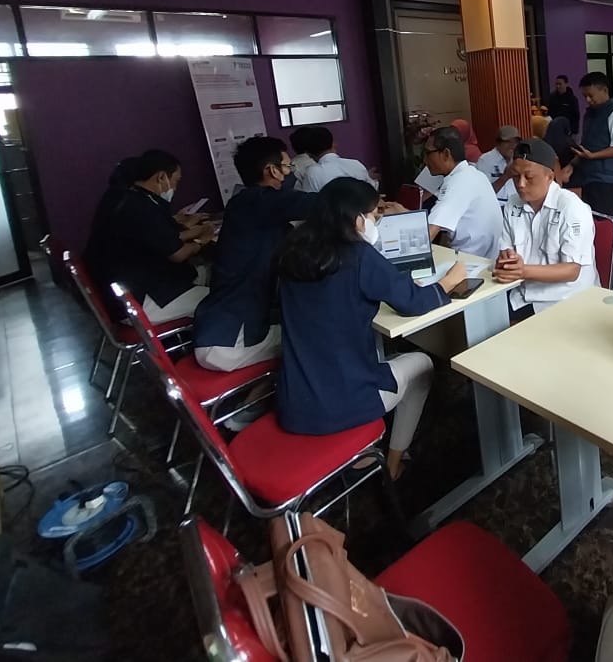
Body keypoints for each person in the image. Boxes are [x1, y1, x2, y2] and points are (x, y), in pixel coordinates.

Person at [276, 178, 467, 480]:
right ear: (357, 220)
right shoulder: (359, 256)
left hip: (294, 399)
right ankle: (393, 462)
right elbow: (413, 302)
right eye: (375, 214)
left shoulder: (292, 249)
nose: (376, 221)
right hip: (344, 401)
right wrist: (448, 282)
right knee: (423, 364)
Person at [191, 136, 315, 371]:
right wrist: (358, 201)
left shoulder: (245, 203)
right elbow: (314, 203)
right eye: (287, 166)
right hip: (230, 341)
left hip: (215, 328)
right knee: (316, 335)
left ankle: (265, 388)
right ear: (272, 170)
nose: (290, 172)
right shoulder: (259, 201)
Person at [83, 148, 213, 325]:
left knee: (200, 271)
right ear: (161, 177)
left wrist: (196, 232)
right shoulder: (141, 208)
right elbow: (178, 254)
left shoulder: (123, 198)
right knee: (223, 298)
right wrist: (202, 241)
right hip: (139, 300)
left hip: (115, 295)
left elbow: (162, 238)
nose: (175, 188)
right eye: (176, 181)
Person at [494, 138, 598, 316]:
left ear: (550, 176)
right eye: (516, 176)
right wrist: (508, 260)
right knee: (482, 316)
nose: (520, 184)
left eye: (529, 177)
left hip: (566, 299)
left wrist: (523, 271)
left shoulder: (571, 207)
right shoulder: (513, 204)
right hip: (522, 294)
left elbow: (572, 270)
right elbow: (506, 249)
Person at [567, 71, 613, 284]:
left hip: (607, 179)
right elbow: (587, 145)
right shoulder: (589, 114)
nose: (588, 100)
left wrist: (592, 156)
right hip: (590, 177)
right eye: (585, 96)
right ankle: (606, 266)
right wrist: (572, 165)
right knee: (596, 223)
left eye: (591, 95)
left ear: (604, 90)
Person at [421, 125, 503, 259]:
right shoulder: (472, 174)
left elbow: (429, 232)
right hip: (481, 256)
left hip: (474, 262)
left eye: (428, 153)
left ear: (446, 154)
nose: (425, 160)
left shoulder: (458, 182)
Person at [475, 125, 520, 202]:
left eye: (515, 142)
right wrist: (506, 176)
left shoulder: (519, 159)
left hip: (515, 204)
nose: (512, 145)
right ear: (498, 143)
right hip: (495, 204)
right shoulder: (485, 160)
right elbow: (483, 193)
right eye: (507, 142)